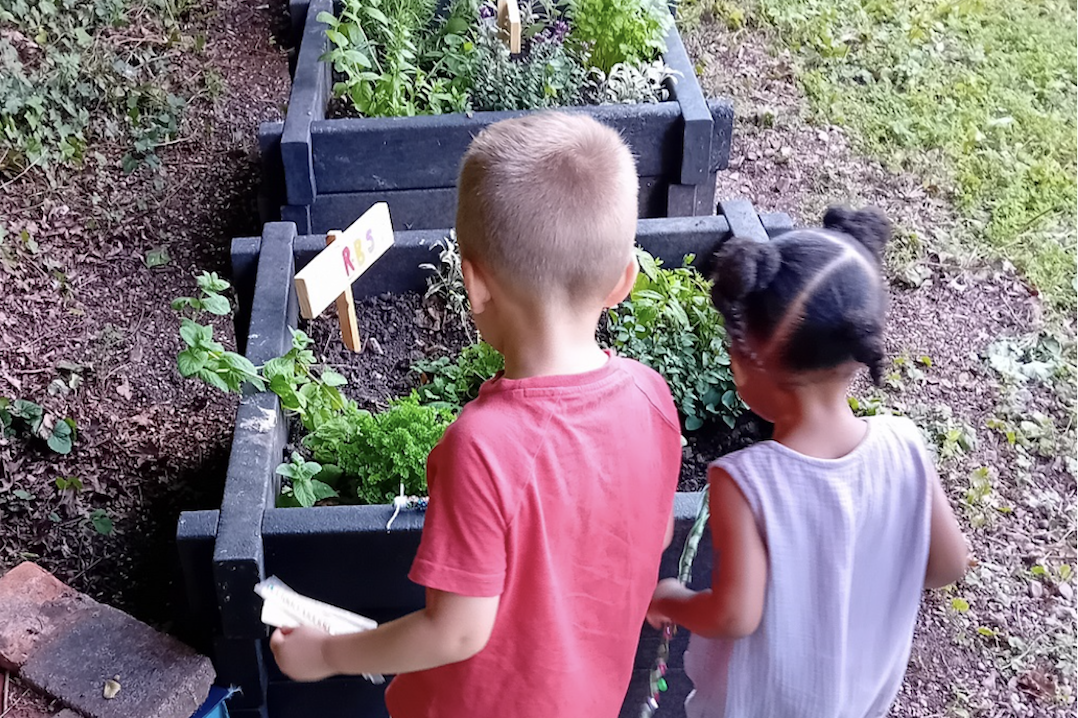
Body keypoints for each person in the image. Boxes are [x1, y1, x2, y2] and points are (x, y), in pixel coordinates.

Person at [270, 113, 683, 717]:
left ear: (474, 285)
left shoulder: (483, 446)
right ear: (623, 281)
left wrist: (330, 654)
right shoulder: (652, 397)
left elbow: (458, 631)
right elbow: (656, 534)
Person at [647, 206, 969, 718]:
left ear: (743, 359)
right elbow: (949, 565)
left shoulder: (745, 481)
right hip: (858, 701)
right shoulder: (904, 444)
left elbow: (734, 615)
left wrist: (669, 599)